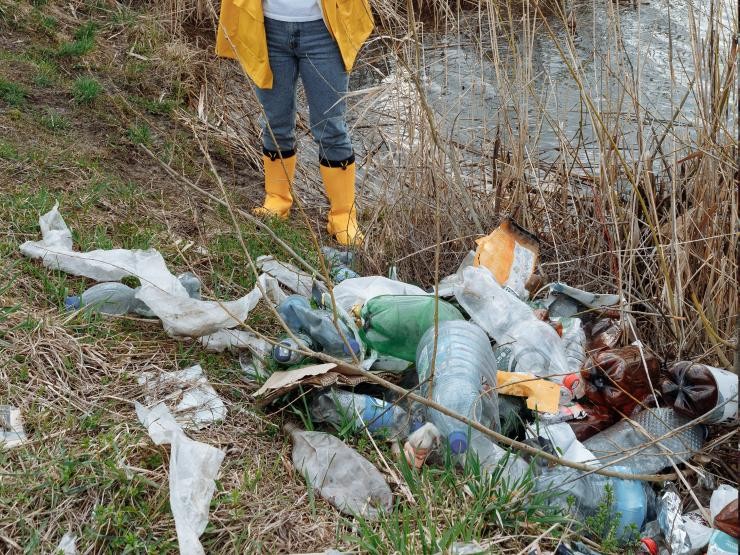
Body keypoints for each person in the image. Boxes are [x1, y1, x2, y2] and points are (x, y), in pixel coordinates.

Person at [215, 0, 374, 246]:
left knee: (330, 126)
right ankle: (277, 200)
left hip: (325, 30)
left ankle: (343, 216)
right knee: (274, 122)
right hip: (267, 28)